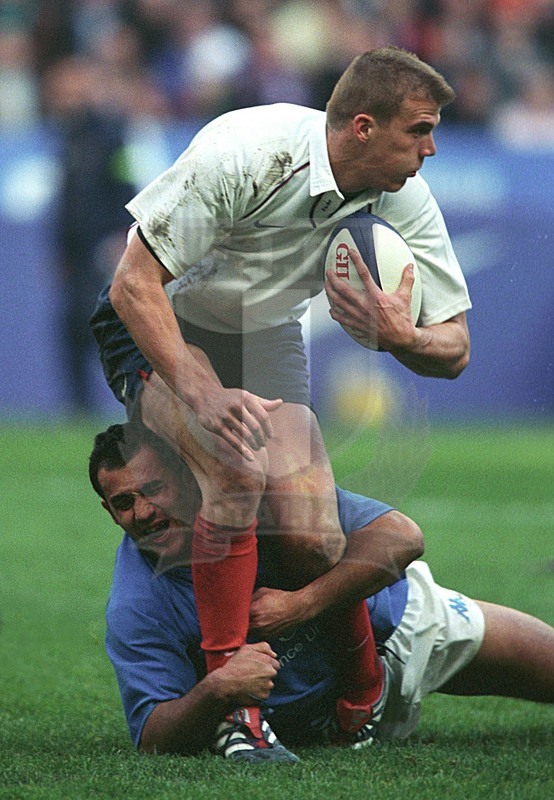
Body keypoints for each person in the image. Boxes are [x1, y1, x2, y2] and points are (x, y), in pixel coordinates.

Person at [91, 46, 471, 757]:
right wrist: (198, 390)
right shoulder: (247, 150)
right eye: (419, 130)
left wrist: (400, 335)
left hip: (262, 336)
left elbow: (454, 348)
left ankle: (363, 683)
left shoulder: (402, 195)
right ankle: (239, 711)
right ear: (363, 126)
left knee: (312, 538)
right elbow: (131, 285)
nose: (432, 147)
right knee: (233, 469)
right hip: (161, 321)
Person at [89, 421, 554, 761]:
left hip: (400, 632)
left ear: (190, 479)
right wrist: (214, 691)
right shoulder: (136, 604)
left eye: (154, 489)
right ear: (110, 513)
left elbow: (403, 538)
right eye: (124, 503)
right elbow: (151, 736)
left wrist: (300, 606)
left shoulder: (266, 501)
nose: (143, 512)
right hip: (313, 724)